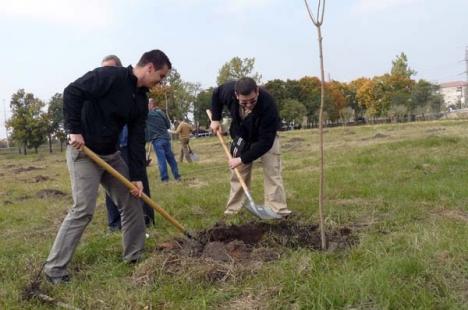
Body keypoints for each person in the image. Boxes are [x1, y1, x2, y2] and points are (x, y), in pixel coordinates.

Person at [44, 50, 172, 284]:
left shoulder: (141, 99)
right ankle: (54, 269)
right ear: (150, 67)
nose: (160, 82)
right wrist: (74, 130)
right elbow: (72, 91)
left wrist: (137, 177)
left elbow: (135, 140)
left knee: (133, 199)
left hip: (111, 155)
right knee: (83, 209)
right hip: (84, 152)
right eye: (161, 76)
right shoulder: (110, 77)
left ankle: (134, 255)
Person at [210, 77, 291, 217]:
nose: (248, 105)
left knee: (273, 172)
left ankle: (277, 210)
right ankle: (233, 210)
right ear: (236, 95)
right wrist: (216, 119)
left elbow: (266, 142)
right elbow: (216, 94)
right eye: (244, 102)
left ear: (257, 91)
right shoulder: (228, 91)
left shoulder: (268, 104)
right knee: (239, 174)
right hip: (242, 135)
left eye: (252, 101)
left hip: (265, 137)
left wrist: (242, 158)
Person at [100, 55, 155, 231]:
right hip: (111, 148)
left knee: (138, 181)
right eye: (103, 69)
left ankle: (146, 219)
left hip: (128, 146)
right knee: (112, 185)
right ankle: (115, 223)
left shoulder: (131, 92)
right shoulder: (102, 90)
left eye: (109, 68)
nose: (105, 73)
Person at [146, 98, 181, 183]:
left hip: (157, 140)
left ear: (151, 105)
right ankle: (177, 177)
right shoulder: (161, 113)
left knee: (161, 160)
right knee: (171, 158)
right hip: (165, 138)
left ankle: (165, 179)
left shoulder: (147, 114)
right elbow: (168, 125)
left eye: (147, 105)